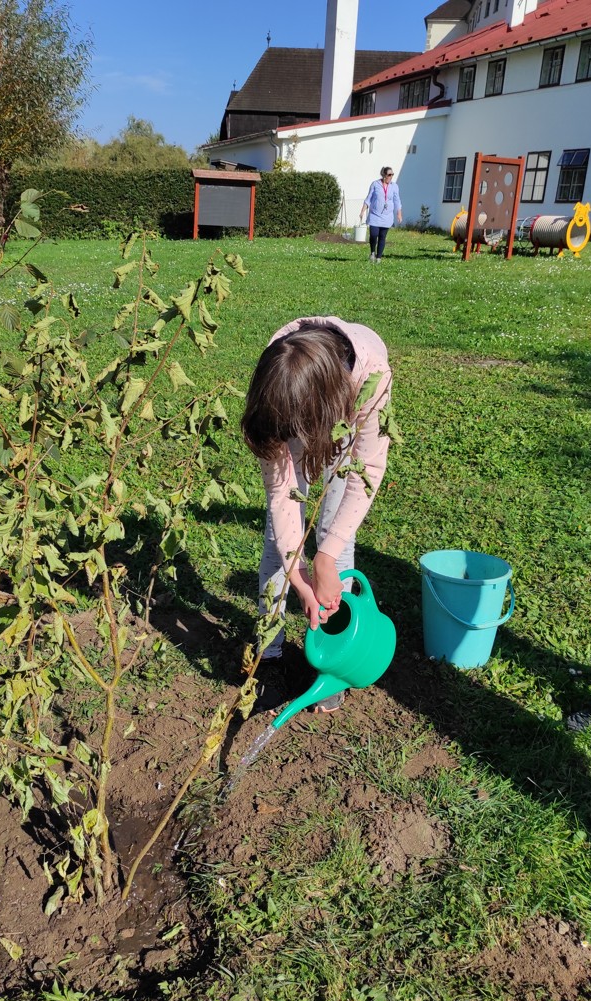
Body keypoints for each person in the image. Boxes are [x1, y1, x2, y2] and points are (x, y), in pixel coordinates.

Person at [242, 317, 392, 713]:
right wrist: (298, 576)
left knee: (334, 536)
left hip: (345, 408)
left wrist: (324, 559)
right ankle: (268, 654)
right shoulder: (277, 380)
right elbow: (281, 494)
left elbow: (367, 470)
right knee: (277, 542)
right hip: (302, 401)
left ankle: (332, 656)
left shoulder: (372, 377)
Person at [360, 166, 402, 262]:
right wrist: (362, 211)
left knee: (382, 237)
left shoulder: (394, 186)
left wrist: (399, 213)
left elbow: (397, 201)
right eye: (389, 175)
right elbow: (368, 199)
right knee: (373, 235)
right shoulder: (375, 184)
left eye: (392, 174)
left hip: (387, 216)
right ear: (384, 175)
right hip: (375, 215)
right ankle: (372, 252)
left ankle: (378, 258)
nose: (391, 176)